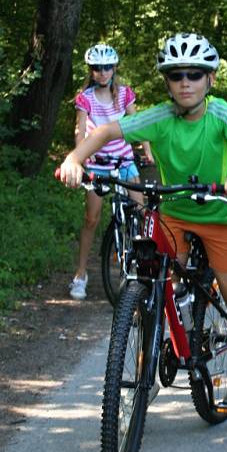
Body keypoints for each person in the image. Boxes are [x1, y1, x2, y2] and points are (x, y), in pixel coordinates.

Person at [60, 33, 227, 435]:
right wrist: (74, 159)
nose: (186, 82)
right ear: (167, 82)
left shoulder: (221, 114)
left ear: (210, 79)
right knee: (148, 277)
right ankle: (149, 357)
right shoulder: (159, 117)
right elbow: (102, 134)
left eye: (195, 75)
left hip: (219, 214)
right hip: (174, 215)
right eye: (176, 75)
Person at [69, 44, 152, 300]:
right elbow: (80, 131)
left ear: (114, 68)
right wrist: (79, 159)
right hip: (98, 163)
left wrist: (146, 151)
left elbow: (138, 125)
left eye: (107, 67)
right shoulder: (85, 98)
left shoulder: (125, 95)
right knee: (91, 219)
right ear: (91, 71)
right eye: (97, 68)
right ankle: (80, 274)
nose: (102, 72)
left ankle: (144, 268)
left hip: (124, 160)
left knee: (140, 213)